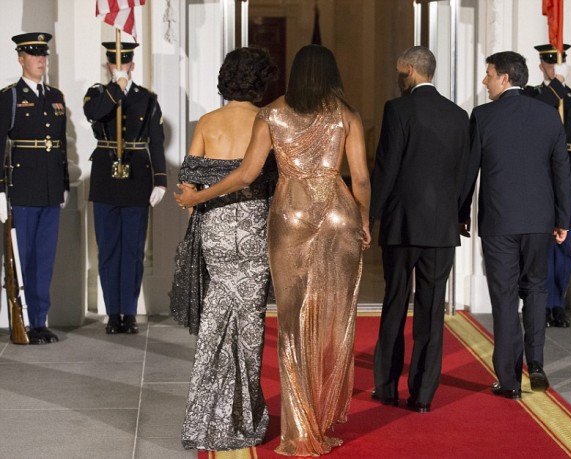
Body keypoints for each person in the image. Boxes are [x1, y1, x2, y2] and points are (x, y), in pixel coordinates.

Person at [175, 44, 371, 457]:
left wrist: (197, 198)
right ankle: (303, 417)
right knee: (319, 321)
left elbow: (230, 174)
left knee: (266, 323)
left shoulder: (266, 115)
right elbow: (360, 180)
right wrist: (365, 219)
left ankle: (261, 427)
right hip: (316, 217)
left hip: (268, 221)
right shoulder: (343, 114)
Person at [173, 47, 278, 454]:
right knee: (249, 328)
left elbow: (187, 186)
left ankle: (205, 422)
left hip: (215, 231)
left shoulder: (208, 122)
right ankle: (243, 421)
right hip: (254, 231)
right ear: (261, 81)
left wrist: (196, 207)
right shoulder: (268, 121)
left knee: (215, 326)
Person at [460, 51, 571, 399]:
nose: (485, 80)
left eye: (489, 74)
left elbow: (469, 171)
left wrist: (461, 212)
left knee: (505, 296)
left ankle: (509, 381)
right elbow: (562, 170)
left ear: (505, 78)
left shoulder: (483, 116)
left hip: (499, 222)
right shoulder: (548, 114)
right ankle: (536, 363)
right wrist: (562, 219)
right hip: (539, 221)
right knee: (536, 289)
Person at [368, 46, 471, 413]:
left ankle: (386, 387)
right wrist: (460, 215)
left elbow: (387, 167)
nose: (397, 77)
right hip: (441, 229)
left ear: (410, 69)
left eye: (400, 70)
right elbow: (465, 173)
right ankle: (423, 395)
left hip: (402, 225)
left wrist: (370, 216)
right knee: (431, 311)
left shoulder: (398, 109)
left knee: (395, 302)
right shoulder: (459, 115)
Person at [83, 42, 166, 335]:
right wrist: (116, 88)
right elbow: (94, 114)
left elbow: (156, 141)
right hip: (106, 178)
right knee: (108, 250)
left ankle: (128, 314)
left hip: (136, 180)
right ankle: (112, 313)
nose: (120, 67)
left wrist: (160, 180)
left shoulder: (147, 98)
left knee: (132, 250)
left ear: (132, 65)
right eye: (115, 63)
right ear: (108, 65)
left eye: (125, 63)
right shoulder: (97, 94)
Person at [0, 32, 68, 345]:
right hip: (23, 190)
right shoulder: (10, 97)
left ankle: (40, 321)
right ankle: (23, 321)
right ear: (21, 59)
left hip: (50, 190)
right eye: (34, 55)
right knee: (22, 258)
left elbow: (60, 144)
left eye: (43, 55)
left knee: (44, 259)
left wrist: (63, 183)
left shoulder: (55, 96)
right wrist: (0, 190)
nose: (41, 60)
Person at [524, 44, 571, 329]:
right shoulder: (533, 96)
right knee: (541, 245)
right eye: (550, 63)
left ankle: (557, 303)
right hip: (542, 178)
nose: (554, 68)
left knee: (563, 246)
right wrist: (557, 85)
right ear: (541, 65)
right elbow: (537, 114)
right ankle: (541, 303)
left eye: (559, 63)